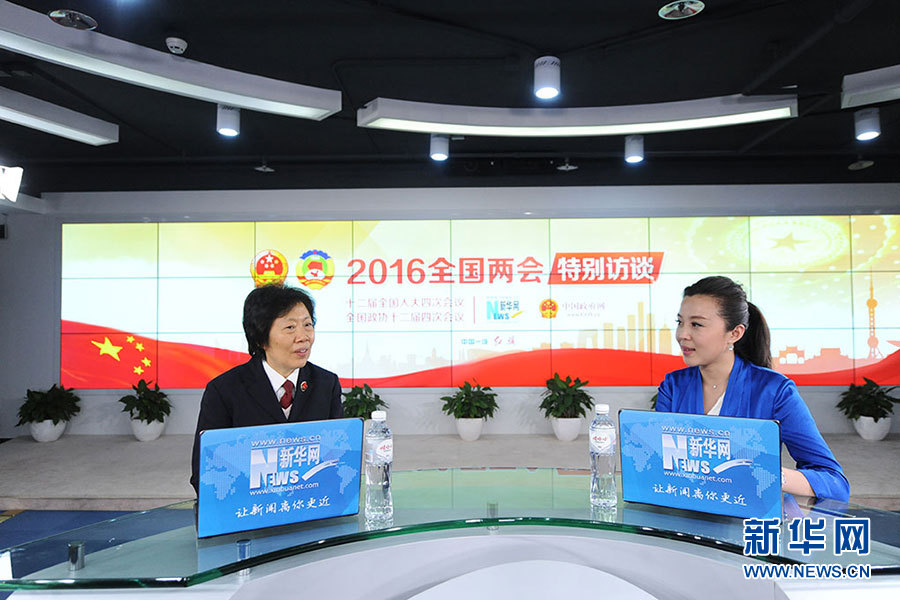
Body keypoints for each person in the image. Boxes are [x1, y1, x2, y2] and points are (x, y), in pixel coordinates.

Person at [655, 276, 850, 502]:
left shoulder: (775, 391)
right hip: (684, 511)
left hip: (747, 517)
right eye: (680, 322)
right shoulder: (673, 387)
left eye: (696, 324)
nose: (682, 334)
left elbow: (835, 482)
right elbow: (659, 466)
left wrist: (771, 476)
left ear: (735, 333)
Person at [190, 284, 343, 494]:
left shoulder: (326, 384)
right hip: (249, 505)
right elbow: (205, 473)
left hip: (310, 501)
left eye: (307, 325)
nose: (303, 336)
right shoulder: (224, 390)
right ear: (261, 338)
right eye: (290, 327)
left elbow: (337, 460)